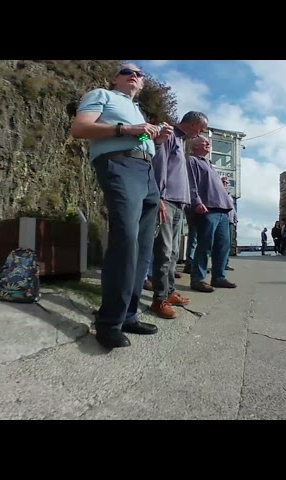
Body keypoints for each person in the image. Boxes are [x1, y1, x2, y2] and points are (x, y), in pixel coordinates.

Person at [71, 62, 174, 349]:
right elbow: (80, 128)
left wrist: (153, 137)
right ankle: (109, 322)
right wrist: (130, 128)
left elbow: (136, 137)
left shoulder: (136, 109)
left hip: (146, 170)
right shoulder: (101, 95)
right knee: (126, 239)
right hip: (119, 164)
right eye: (127, 71)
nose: (134, 76)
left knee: (142, 246)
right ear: (115, 79)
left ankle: (128, 316)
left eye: (139, 74)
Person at [150, 111, 208, 319]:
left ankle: (170, 291)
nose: (201, 132)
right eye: (201, 128)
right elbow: (159, 165)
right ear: (193, 124)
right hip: (167, 201)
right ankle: (159, 299)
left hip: (178, 204)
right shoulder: (169, 134)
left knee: (173, 252)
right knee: (164, 252)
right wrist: (159, 197)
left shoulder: (182, 141)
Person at [187, 135, 236, 292]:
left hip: (223, 210)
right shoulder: (192, 161)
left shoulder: (209, 164)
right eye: (204, 142)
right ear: (194, 146)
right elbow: (191, 183)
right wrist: (196, 201)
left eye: (208, 143)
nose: (208, 144)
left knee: (222, 245)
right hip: (207, 208)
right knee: (205, 244)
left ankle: (218, 277)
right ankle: (198, 279)